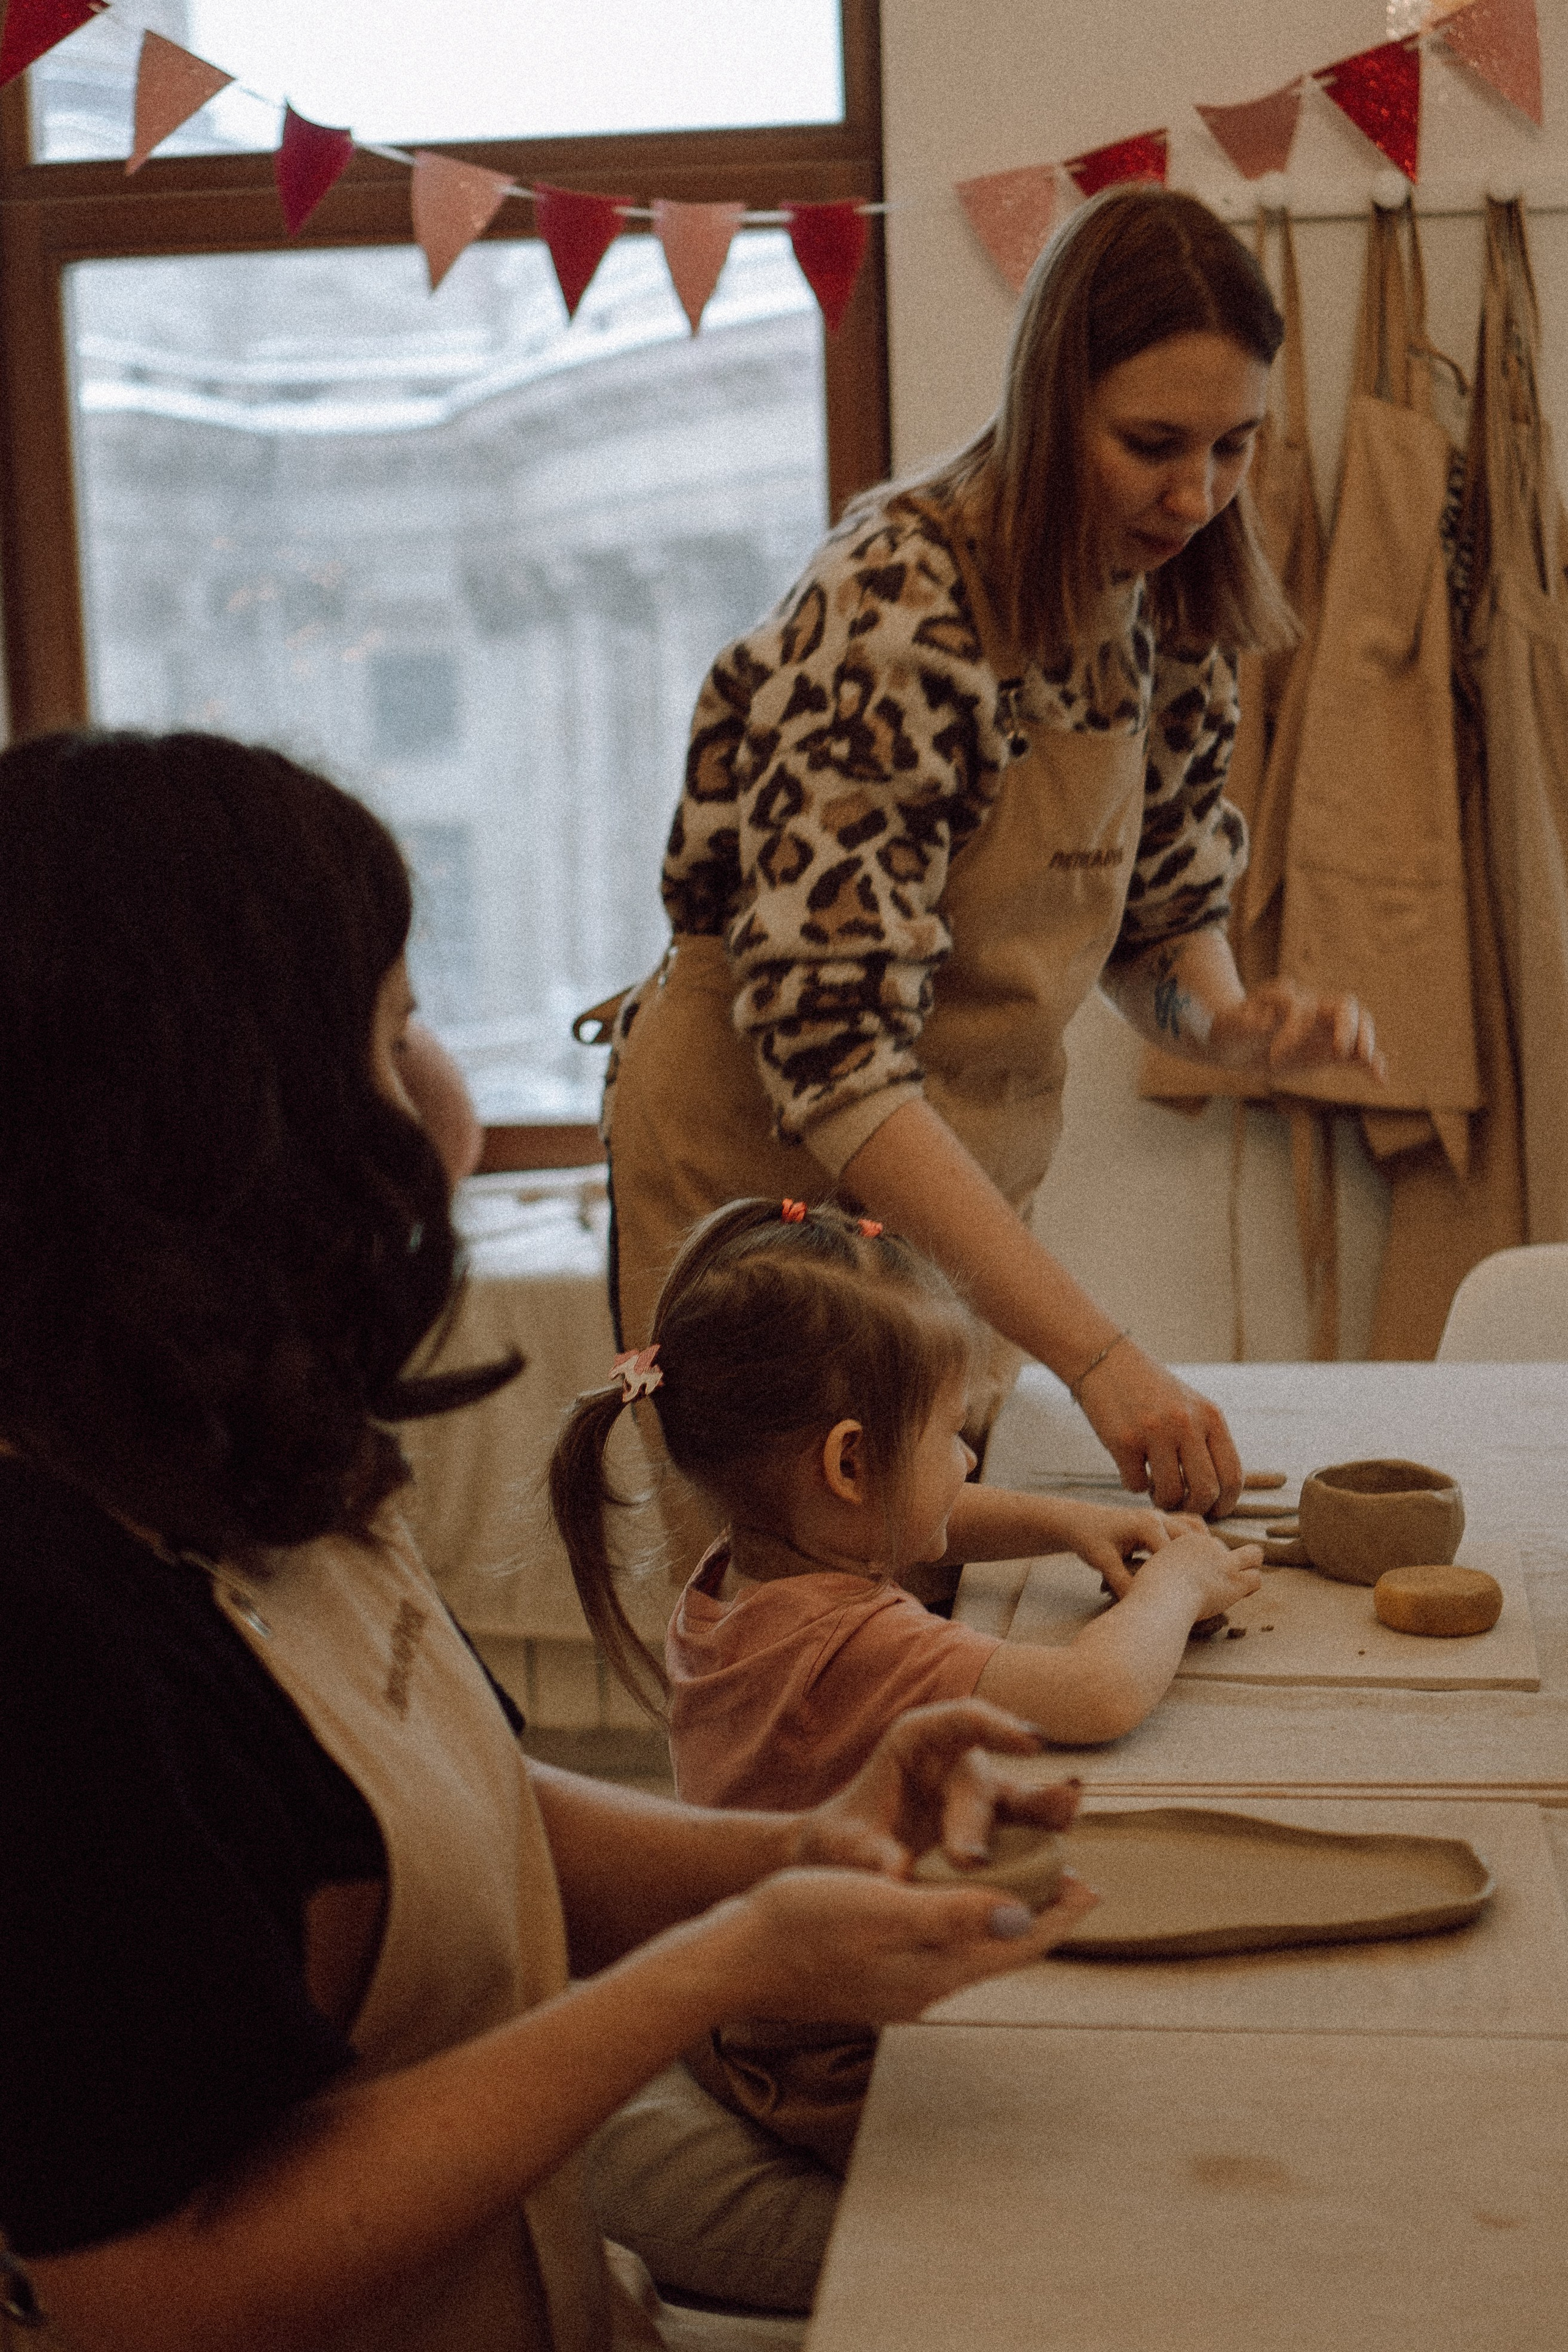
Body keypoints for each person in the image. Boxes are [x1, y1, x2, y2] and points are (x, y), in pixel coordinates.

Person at [0, 728, 1102, 2352]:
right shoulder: (49, 1630)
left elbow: (440, 1827)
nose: (444, 1104)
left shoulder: (233, 1438)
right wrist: (718, 1966)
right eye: (394, 1031)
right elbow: (161, 2279)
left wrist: (804, 1852)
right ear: (201, 1114)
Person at [599, 184, 1385, 1561]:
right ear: (1046, 403)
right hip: (761, 1167)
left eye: (1233, 446)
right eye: (1150, 444)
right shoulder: (895, 613)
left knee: (934, 1599)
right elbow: (835, 1058)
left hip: (938, 1185)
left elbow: (1159, 921)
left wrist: (1228, 1018)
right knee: (799, 1636)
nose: (1195, 496)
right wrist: (1098, 1358)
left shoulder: (1170, 592)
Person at [549, 1195, 1264, 2175]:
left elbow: (920, 1512)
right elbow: (1099, 1694)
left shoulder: (743, 1571)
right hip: (833, 2069)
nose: (967, 1458)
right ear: (848, 1462)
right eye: (948, 1434)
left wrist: (1064, 1522)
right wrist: (1179, 1586)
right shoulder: (854, 1642)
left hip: (758, 2023)